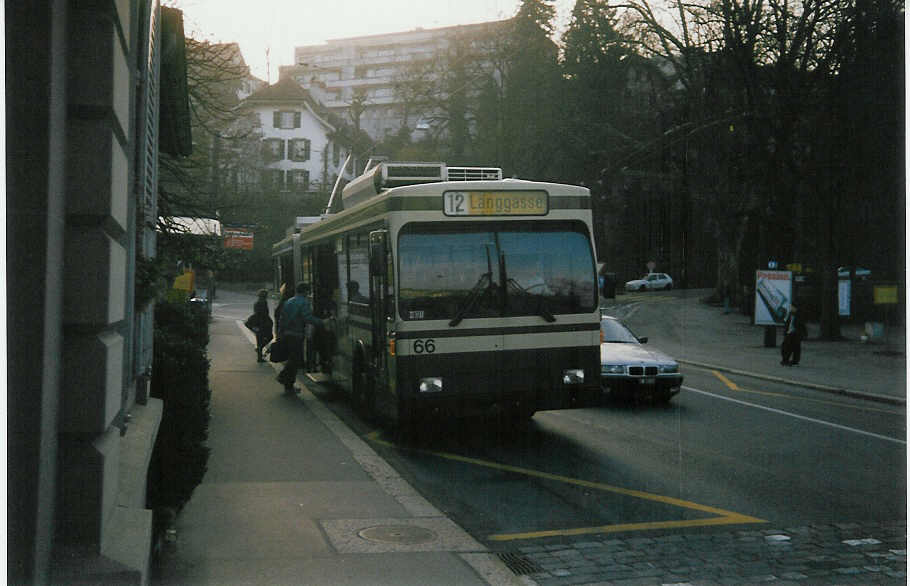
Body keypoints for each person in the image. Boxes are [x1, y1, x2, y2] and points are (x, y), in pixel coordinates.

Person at [276, 282, 324, 393]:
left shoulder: (289, 301)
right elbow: (307, 318)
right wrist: (321, 322)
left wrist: (280, 333)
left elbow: (282, 319)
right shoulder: (304, 302)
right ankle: (284, 378)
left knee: (293, 359)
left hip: (287, 333)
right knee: (295, 360)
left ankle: (288, 386)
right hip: (296, 334)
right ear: (305, 291)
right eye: (308, 291)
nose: (309, 293)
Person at [252, 289, 272, 362]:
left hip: (257, 324)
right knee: (269, 337)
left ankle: (259, 355)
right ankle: (259, 353)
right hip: (262, 324)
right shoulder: (263, 303)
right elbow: (264, 314)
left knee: (259, 340)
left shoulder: (257, 302)